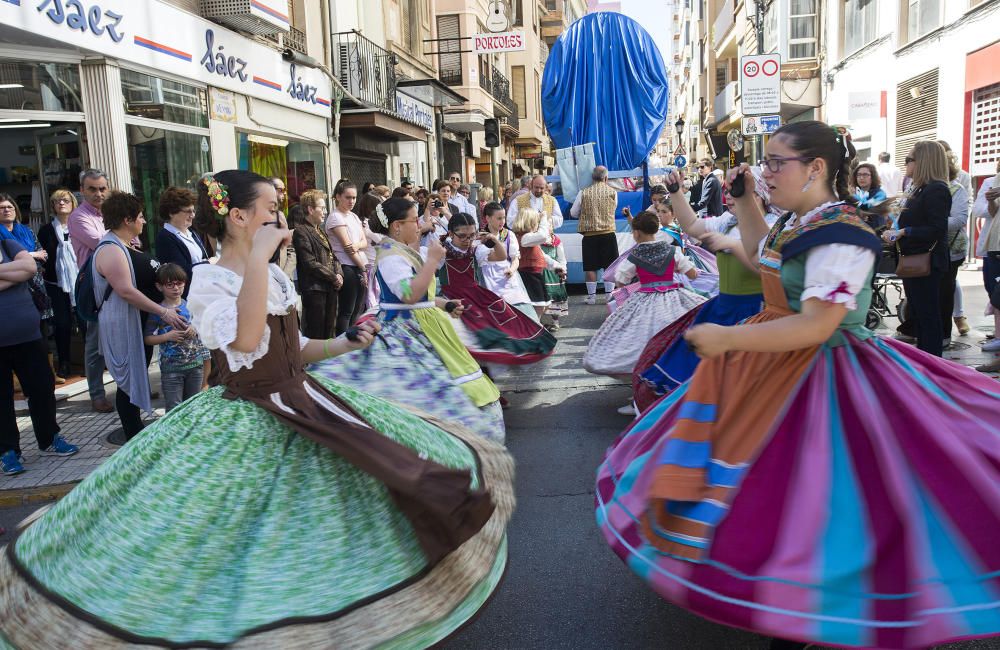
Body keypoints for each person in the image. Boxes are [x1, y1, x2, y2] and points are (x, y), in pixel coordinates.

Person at [0, 170, 513, 648]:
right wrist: (259, 264)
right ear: (238, 217)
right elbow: (245, 341)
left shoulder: (271, 275)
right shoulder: (209, 280)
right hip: (249, 413)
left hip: (305, 398)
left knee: (339, 516)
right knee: (232, 540)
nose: (278, 218)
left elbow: (298, 347)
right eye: (269, 208)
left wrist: (345, 344)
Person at [596, 120, 1000, 650]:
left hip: (827, 371)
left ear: (815, 168)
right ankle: (795, 611)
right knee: (772, 492)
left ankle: (813, 612)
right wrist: (743, 203)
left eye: (774, 163)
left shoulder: (845, 231)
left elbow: (816, 325)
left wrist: (725, 340)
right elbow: (764, 258)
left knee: (830, 493)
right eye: (764, 163)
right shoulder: (803, 220)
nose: (765, 172)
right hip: (775, 363)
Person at [310, 198, 506, 443]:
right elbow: (409, 295)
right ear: (396, 226)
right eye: (414, 220)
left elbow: (420, 296)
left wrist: (444, 304)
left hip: (424, 325)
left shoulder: (401, 252)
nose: (420, 224)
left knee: (438, 387)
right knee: (423, 391)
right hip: (406, 332)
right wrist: (433, 262)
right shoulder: (391, 256)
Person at [631, 172, 778, 410]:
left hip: (755, 311)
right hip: (723, 307)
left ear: (760, 197)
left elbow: (766, 268)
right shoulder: (727, 222)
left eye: (739, 193)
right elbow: (691, 225)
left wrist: (732, 246)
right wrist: (677, 192)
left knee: (739, 385)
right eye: (729, 192)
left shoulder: (772, 226)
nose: (730, 197)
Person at [93, 192, 187, 441]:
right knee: (128, 383)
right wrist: (163, 312)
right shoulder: (111, 249)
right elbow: (125, 291)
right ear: (127, 219)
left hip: (137, 323)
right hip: (124, 324)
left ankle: (135, 431)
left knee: (136, 376)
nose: (144, 221)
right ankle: (133, 435)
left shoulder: (124, 245)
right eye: (141, 217)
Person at [582, 210, 704, 386]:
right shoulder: (673, 251)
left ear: (636, 233)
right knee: (675, 338)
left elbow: (620, 279)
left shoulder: (635, 256)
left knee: (640, 342)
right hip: (674, 299)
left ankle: (640, 393)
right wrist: (672, 269)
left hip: (645, 299)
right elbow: (692, 274)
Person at [0, 225, 77, 476]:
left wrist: (17, 271)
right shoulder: (11, 254)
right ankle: (8, 452)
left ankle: (49, 438)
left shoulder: (8, 245)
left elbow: (30, 268)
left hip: (29, 336)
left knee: (43, 389)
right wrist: (14, 273)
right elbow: (21, 269)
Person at [439, 212, 556, 365]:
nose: (467, 240)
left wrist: (494, 240)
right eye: (462, 236)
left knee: (503, 326)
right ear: (450, 233)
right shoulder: (441, 252)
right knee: (467, 334)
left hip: (475, 295)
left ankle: (487, 366)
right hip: (452, 296)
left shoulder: (476, 250)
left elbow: (501, 256)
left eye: (472, 235)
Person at [882, 141, 952, 356]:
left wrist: (905, 232)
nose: (906, 165)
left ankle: (931, 363)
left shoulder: (936, 189)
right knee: (920, 314)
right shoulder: (919, 188)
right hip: (914, 258)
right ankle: (925, 359)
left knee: (928, 315)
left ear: (923, 161)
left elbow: (937, 228)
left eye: (909, 160)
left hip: (927, 261)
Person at [68, 169, 114, 413]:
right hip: (94, 287)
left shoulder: (111, 213)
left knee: (125, 338)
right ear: (82, 190)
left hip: (118, 283)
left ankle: (131, 387)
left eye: (102, 188)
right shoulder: (77, 217)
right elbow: (104, 243)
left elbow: (134, 242)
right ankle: (96, 394)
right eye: (93, 189)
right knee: (95, 345)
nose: (99, 194)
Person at [143, 263, 210, 412]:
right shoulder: (158, 311)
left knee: (193, 407)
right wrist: (167, 336)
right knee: (174, 410)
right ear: (159, 287)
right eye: (170, 285)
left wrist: (194, 328)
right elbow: (147, 338)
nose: (176, 288)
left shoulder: (191, 305)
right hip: (171, 369)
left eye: (179, 284)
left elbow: (203, 325)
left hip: (195, 366)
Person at [37, 189, 79, 381]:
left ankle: (92, 362)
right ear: (53, 206)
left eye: (65, 200)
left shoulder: (79, 226)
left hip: (80, 282)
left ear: (72, 203)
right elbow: (42, 255)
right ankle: (64, 363)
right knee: (62, 324)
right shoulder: (46, 230)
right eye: (57, 201)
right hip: (55, 283)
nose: (61, 203)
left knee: (86, 323)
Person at [293, 189, 343, 339]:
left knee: (329, 330)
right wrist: (333, 277)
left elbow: (333, 256)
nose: (325, 212)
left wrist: (340, 273)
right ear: (310, 209)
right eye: (322, 208)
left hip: (329, 287)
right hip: (315, 289)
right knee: (316, 331)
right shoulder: (301, 231)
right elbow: (309, 263)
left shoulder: (320, 231)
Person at [571, 166, 619, 304]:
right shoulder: (612, 192)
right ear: (606, 178)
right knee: (610, 266)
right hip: (608, 233)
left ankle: (592, 297)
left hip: (589, 235)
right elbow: (614, 208)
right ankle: (609, 296)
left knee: (590, 267)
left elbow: (574, 213)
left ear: (592, 178)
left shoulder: (583, 193)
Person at [478, 202, 535, 319]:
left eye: (504, 217)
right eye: (499, 218)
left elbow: (515, 258)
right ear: (488, 218)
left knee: (518, 308)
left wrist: (512, 270)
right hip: (487, 276)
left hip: (507, 275)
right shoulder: (480, 236)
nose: (502, 221)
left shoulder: (508, 235)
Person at [326, 180, 369, 335]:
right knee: (347, 309)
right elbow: (347, 247)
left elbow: (363, 243)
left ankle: (351, 342)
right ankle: (342, 344)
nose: (351, 201)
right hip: (346, 266)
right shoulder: (336, 217)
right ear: (338, 197)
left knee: (358, 308)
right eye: (348, 197)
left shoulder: (354, 216)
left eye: (354, 198)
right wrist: (363, 268)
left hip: (359, 264)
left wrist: (357, 246)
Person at [154, 187, 210, 298]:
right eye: (188, 211)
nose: (193, 215)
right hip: (185, 297)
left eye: (193, 211)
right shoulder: (165, 237)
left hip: (202, 292)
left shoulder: (192, 232)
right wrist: (209, 264)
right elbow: (180, 272)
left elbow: (201, 258)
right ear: (171, 213)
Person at [974, 160, 1000, 370]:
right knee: (994, 293)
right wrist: (992, 199)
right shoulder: (992, 182)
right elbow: (981, 210)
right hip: (994, 246)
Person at [511, 208, 550, 319]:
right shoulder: (525, 238)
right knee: (537, 306)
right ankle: (534, 327)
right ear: (531, 222)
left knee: (542, 306)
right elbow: (543, 236)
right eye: (536, 222)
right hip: (529, 275)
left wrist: (557, 266)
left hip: (535, 274)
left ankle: (534, 326)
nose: (537, 224)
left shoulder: (528, 237)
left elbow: (541, 256)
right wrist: (543, 219)